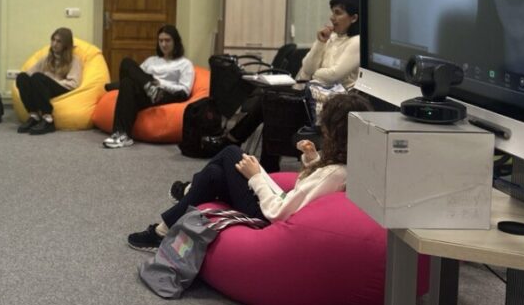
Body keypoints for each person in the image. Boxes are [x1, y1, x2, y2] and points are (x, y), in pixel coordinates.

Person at [126, 91, 374, 251]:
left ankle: (176, 209)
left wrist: (256, 176)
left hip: (268, 215)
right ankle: (167, 223)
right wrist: (312, 160)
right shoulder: (346, 166)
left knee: (231, 153)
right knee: (213, 176)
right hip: (278, 202)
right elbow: (309, 192)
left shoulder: (334, 173)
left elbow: (279, 212)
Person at [205, 0, 362, 152]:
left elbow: (333, 76)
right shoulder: (331, 37)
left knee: (269, 100)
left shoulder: (357, 42)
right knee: (269, 100)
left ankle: (234, 140)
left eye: (338, 13)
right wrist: (320, 43)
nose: (332, 17)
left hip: (331, 101)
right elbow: (307, 67)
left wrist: (315, 74)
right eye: (332, 12)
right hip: (312, 92)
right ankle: (239, 143)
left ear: (354, 18)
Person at [102, 25, 195, 149]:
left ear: (176, 42)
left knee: (128, 82)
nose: (163, 44)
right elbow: (136, 76)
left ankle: (145, 89)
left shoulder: (185, 64)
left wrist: (160, 83)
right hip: (149, 93)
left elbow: (185, 90)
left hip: (166, 94)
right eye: (161, 41)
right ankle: (121, 135)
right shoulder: (152, 60)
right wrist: (149, 83)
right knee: (126, 67)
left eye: (167, 40)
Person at [15, 27, 82, 135]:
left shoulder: (74, 60)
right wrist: (26, 82)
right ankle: (34, 116)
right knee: (22, 77)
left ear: (66, 44)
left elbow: (74, 83)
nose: (54, 44)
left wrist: (50, 81)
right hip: (45, 85)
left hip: (62, 87)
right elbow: (29, 73)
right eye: (53, 40)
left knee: (38, 77)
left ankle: (48, 119)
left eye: (59, 41)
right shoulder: (47, 58)